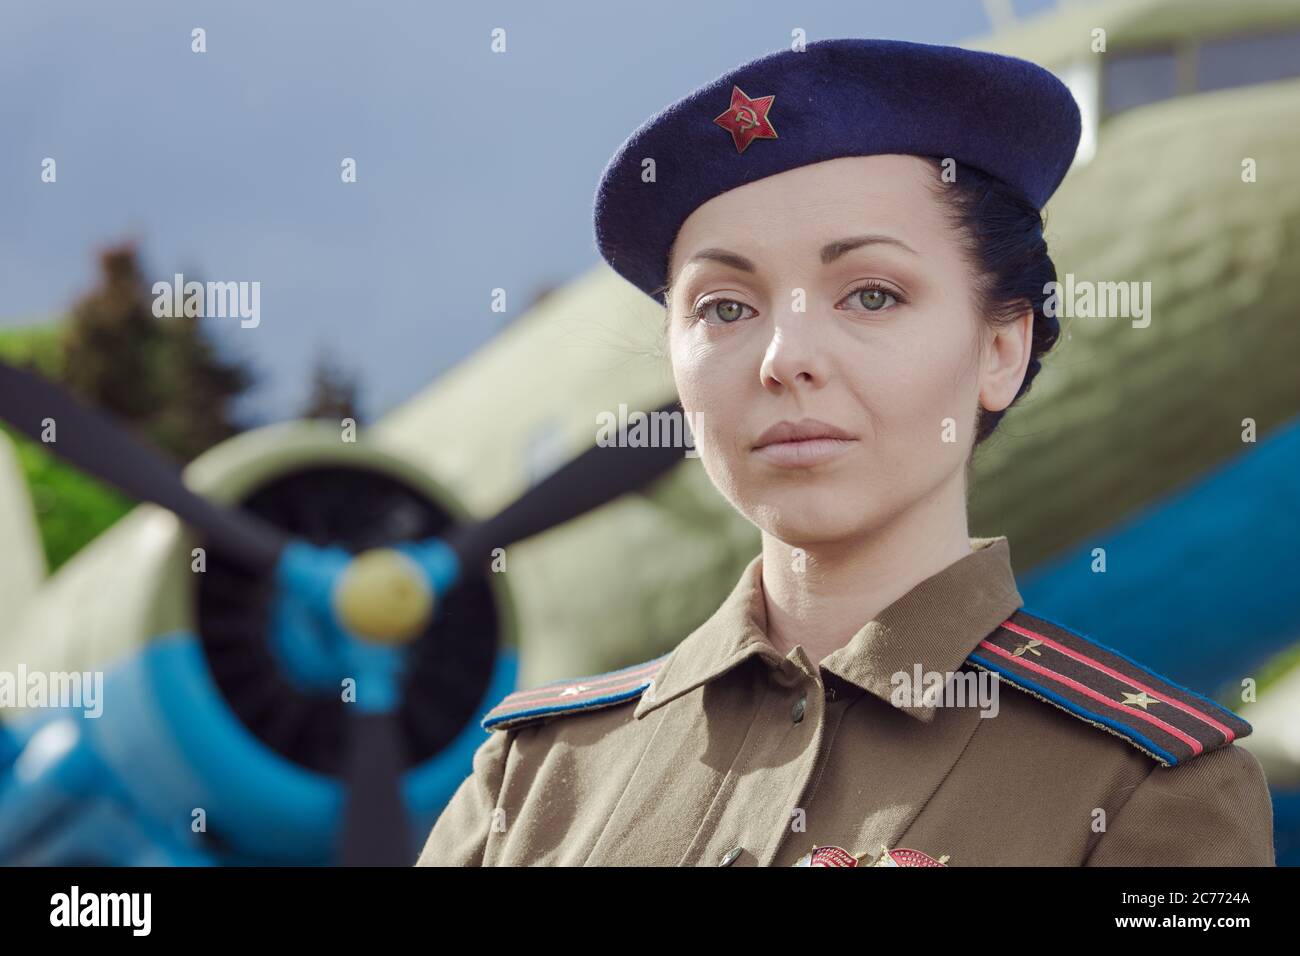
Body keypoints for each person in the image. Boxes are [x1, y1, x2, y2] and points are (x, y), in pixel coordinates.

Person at [416, 37, 1274, 866]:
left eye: (871, 294)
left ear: (1001, 350)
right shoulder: (527, 781)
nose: (784, 357)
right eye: (723, 308)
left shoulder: (1151, 787)